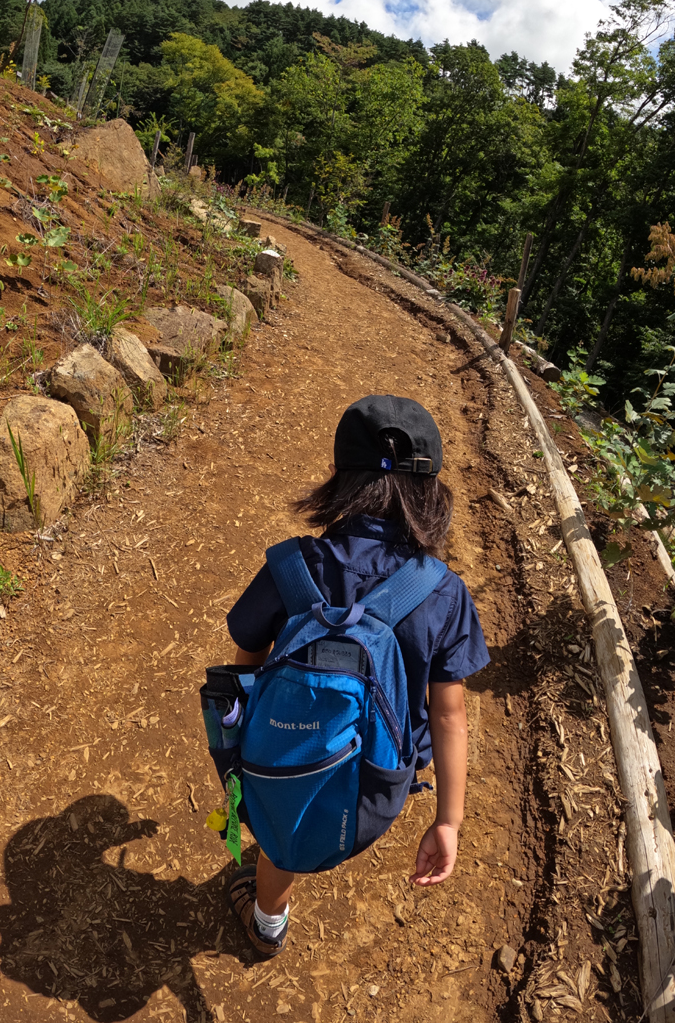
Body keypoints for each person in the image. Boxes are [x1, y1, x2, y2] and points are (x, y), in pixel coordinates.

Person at [224, 394, 489, 957]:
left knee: (284, 839)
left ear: (340, 480)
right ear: (430, 493)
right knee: (325, 817)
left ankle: (267, 924)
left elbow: (246, 654)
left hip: (290, 754)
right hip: (380, 779)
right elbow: (449, 714)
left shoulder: (292, 567)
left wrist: (242, 741)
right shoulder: (442, 590)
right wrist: (448, 822)